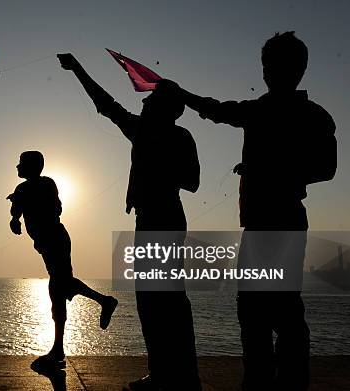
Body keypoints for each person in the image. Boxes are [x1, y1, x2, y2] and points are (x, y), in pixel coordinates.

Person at [175, 32, 337, 390]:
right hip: (266, 225)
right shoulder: (273, 111)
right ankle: (266, 381)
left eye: (274, 66)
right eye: (266, 66)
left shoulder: (301, 115)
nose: (267, 73)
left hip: (278, 225)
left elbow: (326, 168)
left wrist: (268, 169)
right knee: (260, 312)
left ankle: (278, 382)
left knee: (272, 314)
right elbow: (218, 110)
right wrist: (182, 93)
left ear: (296, 69)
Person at [59, 53, 201, 391]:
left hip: (162, 219)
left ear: (165, 108)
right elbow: (106, 105)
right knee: (156, 303)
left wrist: (158, 165)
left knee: (163, 303)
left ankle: (176, 377)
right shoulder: (150, 132)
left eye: (151, 100)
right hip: (153, 219)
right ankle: (169, 375)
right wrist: (78, 69)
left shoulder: (169, 136)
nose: (144, 104)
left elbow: (192, 181)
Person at [7, 151, 118, 368]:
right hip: (46, 243)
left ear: (32, 167)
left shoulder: (46, 184)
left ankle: (103, 303)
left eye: (21, 164)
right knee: (60, 287)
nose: (17, 167)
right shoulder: (22, 189)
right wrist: (15, 217)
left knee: (60, 286)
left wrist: (23, 202)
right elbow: (15, 211)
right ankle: (59, 348)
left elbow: (55, 208)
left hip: (56, 239)